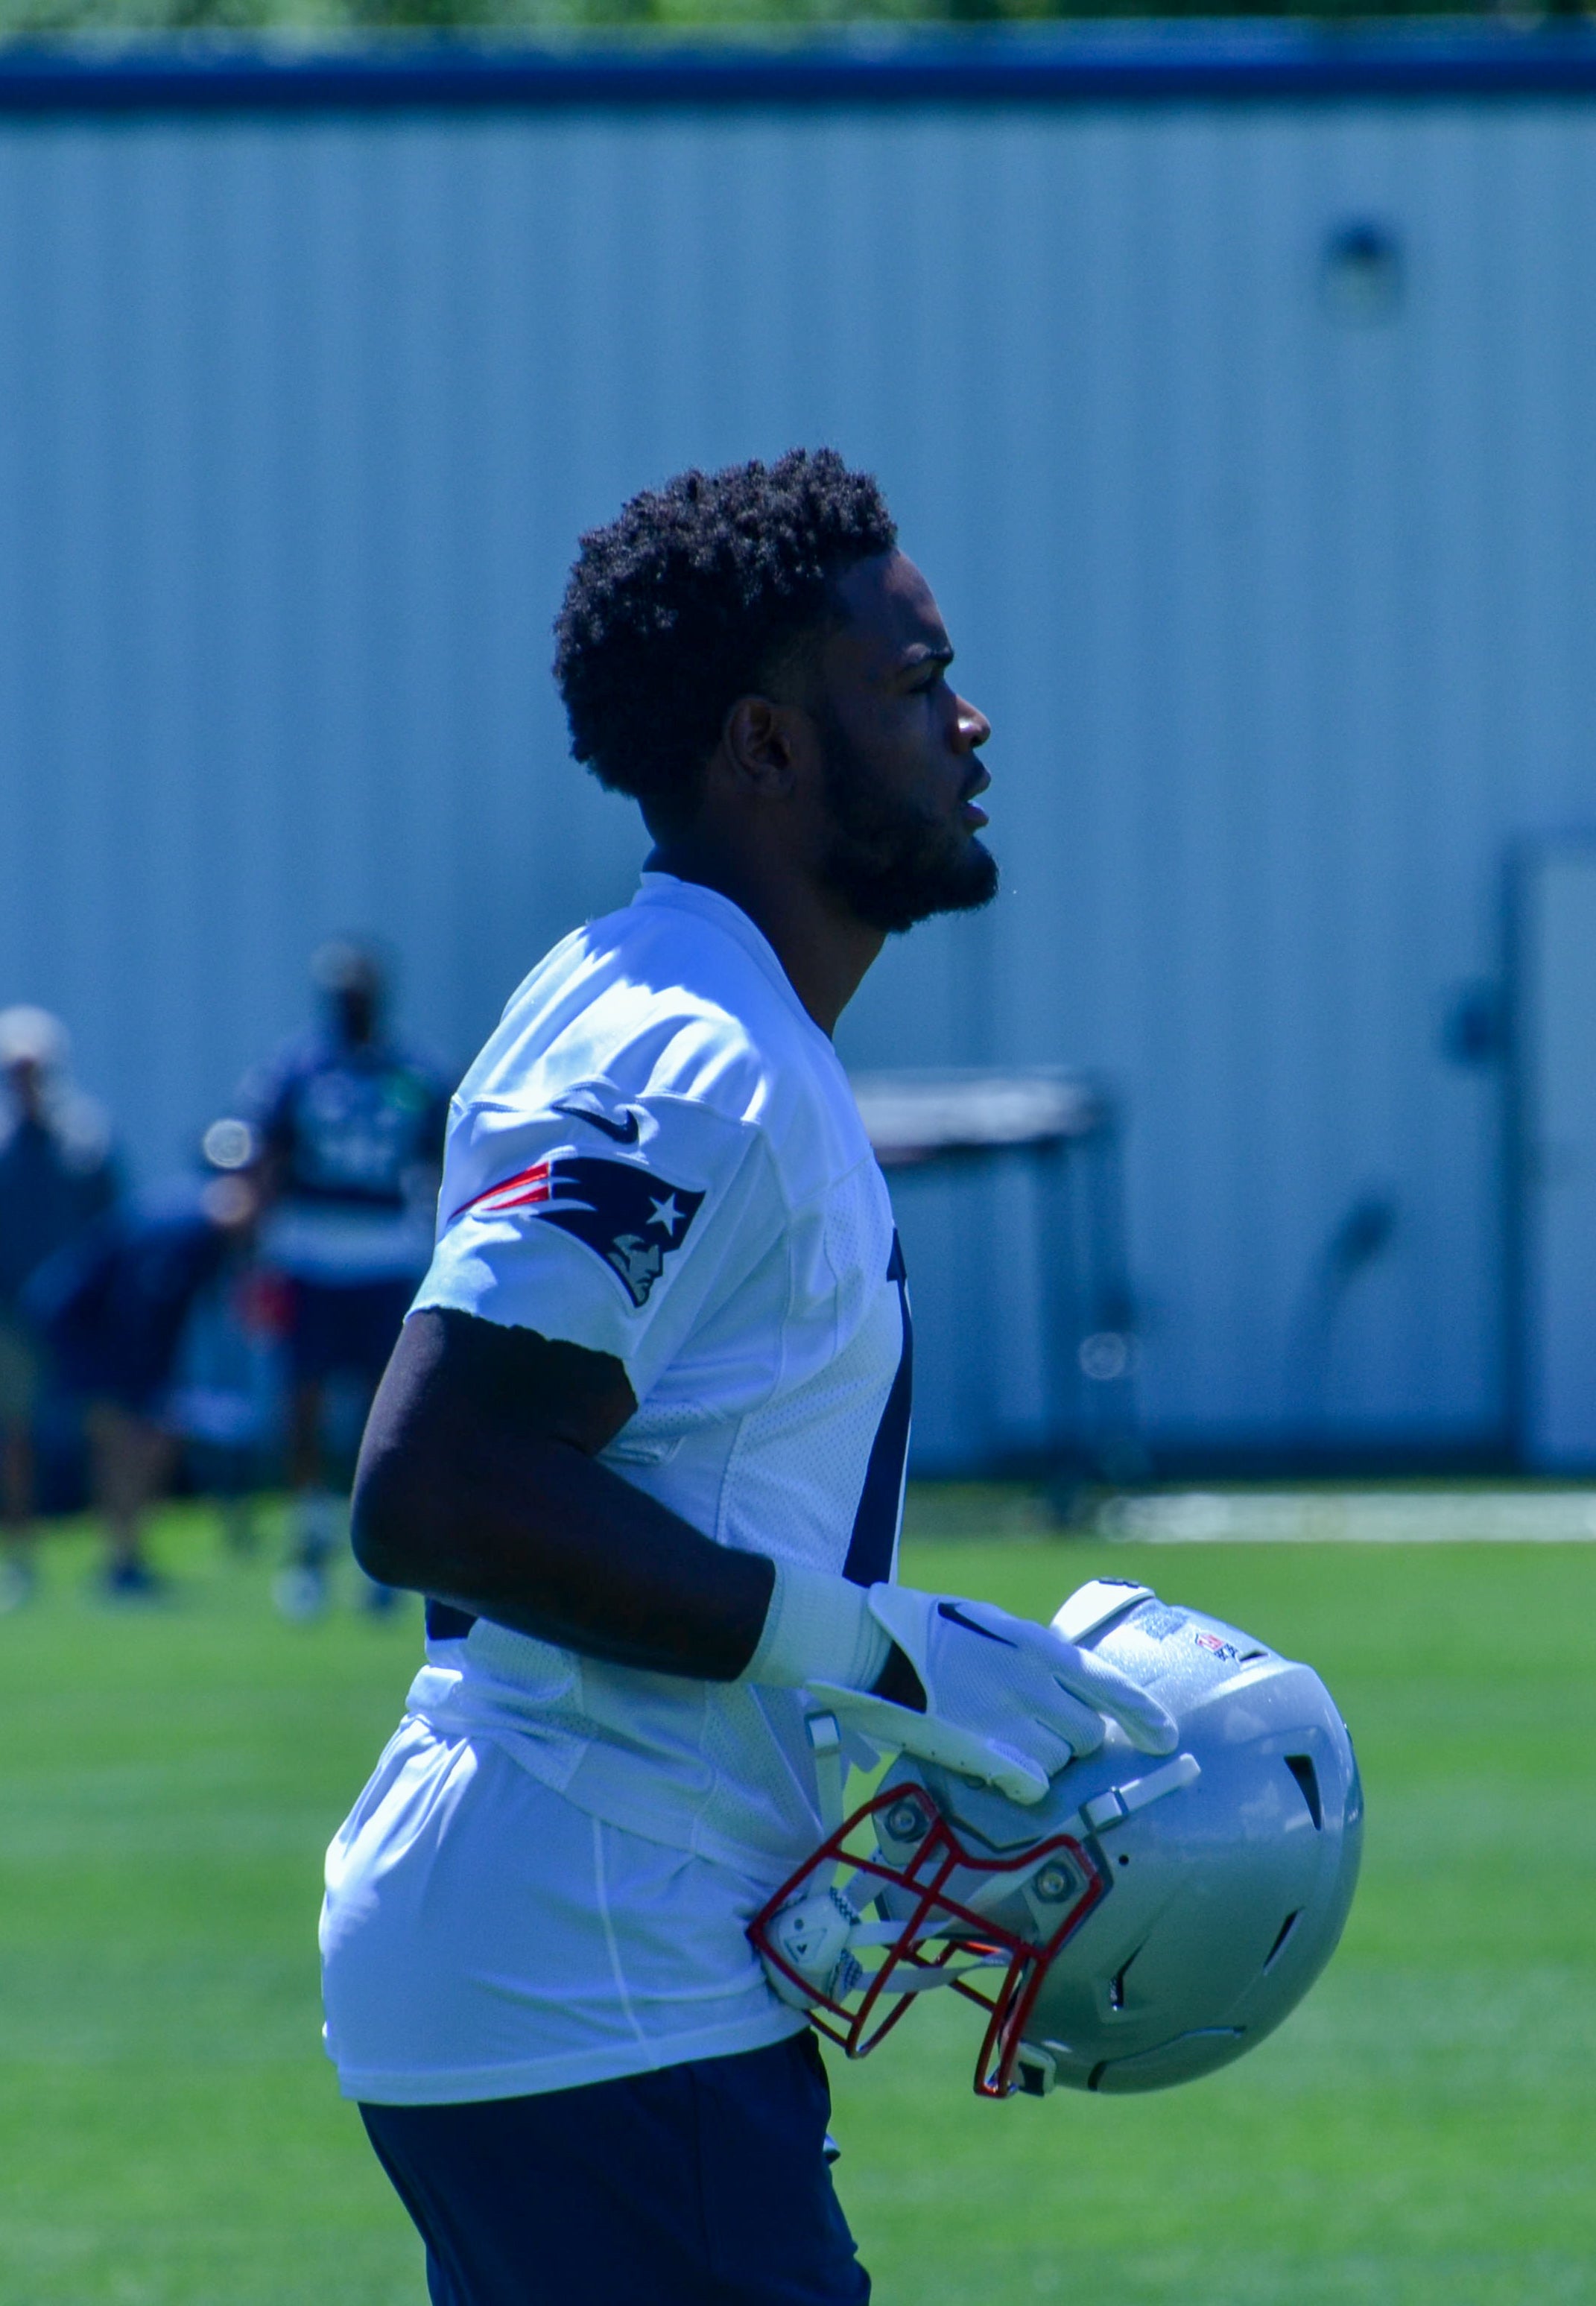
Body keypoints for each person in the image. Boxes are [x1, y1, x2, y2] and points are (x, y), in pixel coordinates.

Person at [320, 450, 1176, 2305]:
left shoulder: (683, 1005)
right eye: (913, 680)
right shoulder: (692, 1050)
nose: (968, 723)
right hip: (598, 1951)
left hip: (585, 1943)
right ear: (768, 746)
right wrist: (875, 1649)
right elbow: (437, 1485)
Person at [241, 943, 450, 1618]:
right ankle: (310, 1544)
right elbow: (263, 1155)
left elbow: (444, 1161)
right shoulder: (299, 1067)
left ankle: (377, 1549)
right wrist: (254, 1247)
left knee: (382, 1410)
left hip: (385, 1254)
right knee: (303, 1404)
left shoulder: (412, 1071)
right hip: (309, 1252)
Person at [23, 1120, 265, 1597]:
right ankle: (121, 1560)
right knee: (128, 1440)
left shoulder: (196, 1218)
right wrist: (150, 1391)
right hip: (82, 1328)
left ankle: (124, 1558)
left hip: (101, 1330)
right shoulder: (189, 1227)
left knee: (142, 1438)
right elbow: (139, 1312)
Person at [0, 1006, 120, 1609]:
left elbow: (113, 1225)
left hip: (81, 1316)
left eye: (34, 1069)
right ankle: (21, 1557)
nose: (24, 1082)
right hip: (13, 1314)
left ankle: (118, 1555)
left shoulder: (85, 1138)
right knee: (16, 1434)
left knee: (105, 1428)